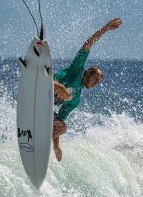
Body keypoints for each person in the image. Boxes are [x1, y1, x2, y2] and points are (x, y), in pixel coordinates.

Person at [52, 18, 122, 161]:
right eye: (94, 78)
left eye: (98, 82)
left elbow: (59, 118)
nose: (95, 83)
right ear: (87, 73)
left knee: (62, 127)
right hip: (45, 87)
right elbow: (87, 45)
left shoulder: (76, 100)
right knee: (65, 94)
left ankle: (39, 137)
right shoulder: (77, 70)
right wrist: (106, 28)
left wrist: (56, 146)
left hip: (46, 109)